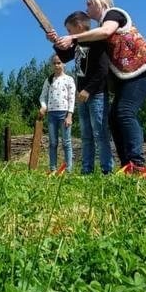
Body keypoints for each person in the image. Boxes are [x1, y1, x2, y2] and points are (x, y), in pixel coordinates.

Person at [50, 0, 146, 177]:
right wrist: (57, 41)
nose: (86, 9)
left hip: (145, 70)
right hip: (129, 76)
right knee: (114, 117)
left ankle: (137, 164)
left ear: (100, 4)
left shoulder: (114, 14)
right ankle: (127, 165)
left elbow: (104, 33)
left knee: (125, 112)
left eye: (89, 5)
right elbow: (67, 55)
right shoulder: (94, 32)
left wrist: (73, 38)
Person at [58, 11, 113, 175]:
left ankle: (106, 170)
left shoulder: (98, 42)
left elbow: (103, 70)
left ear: (79, 26)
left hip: (96, 94)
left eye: (69, 30)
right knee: (86, 135)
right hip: (82, 95)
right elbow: (64, 56)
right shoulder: (78, 44)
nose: (68, 34)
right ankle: (87, 170)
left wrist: (88, 90)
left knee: (100, 134)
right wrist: (54, 40)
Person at [39, 55, 75, 174]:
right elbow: (43, 96)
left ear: (64, 64)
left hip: (64, 114)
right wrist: (44, 107)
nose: (57, 65)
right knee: (53, 142)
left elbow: (72, 98)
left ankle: (68, 169)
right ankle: (53, 168)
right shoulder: (49, 80)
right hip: (51, 115)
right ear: (51, 65)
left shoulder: (69, 79)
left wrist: (69, 115)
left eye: (59, 63)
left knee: (66, 142)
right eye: (54, 63)